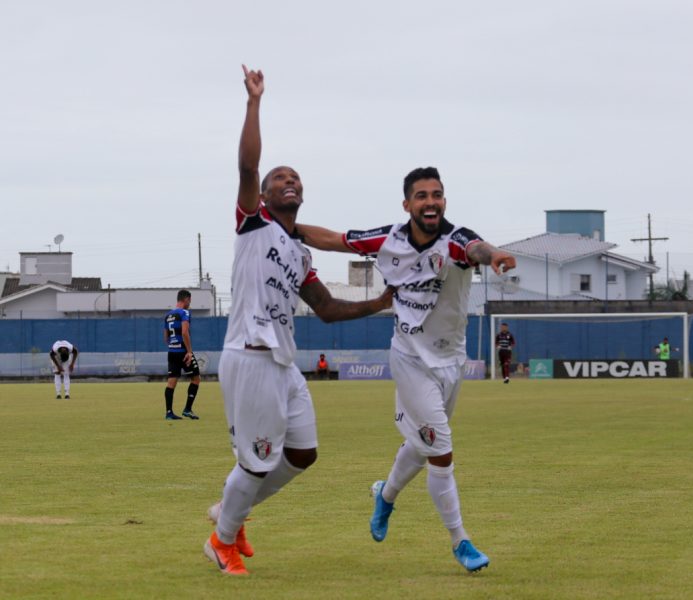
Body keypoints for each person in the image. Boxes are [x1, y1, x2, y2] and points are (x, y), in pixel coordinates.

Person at [203, 65, 394, 576]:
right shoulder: (254, 223)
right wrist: (254, 104)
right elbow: (246, 168)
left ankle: (231, 513)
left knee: (303, 454)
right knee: (256, 462)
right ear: (263, 195)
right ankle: (221, 542)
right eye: (280, 178)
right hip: (250, 355)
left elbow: (328, 309)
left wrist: (379, 303)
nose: (291, 182)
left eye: (297, 179)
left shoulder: (298, 252)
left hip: (284, 363)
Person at [297, 166, 516, 573]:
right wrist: (284, 224)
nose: (430, 202)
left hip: (451, 362)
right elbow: (335, 240)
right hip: (410, 360)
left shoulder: (455, 240)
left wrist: (496, 255)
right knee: (441, 451)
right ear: (407, 204)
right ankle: (461, 542)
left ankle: (386, 496)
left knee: (421, 446)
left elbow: (477, 249)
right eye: (422, 195)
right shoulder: (388, 240)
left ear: (444, 201)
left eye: (437, 194)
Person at [164, 289, 201, 420]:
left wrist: (173, 345)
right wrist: (189, 352)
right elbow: (185, 332)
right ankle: (187, 409)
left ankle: (169, 413)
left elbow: (166, 337)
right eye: (189, 300)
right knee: (196, 379)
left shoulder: (168, 315)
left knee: (171, 383)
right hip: (183, 353)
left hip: (172, 352)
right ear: (186, 299)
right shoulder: (184, 312)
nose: (189, 303)